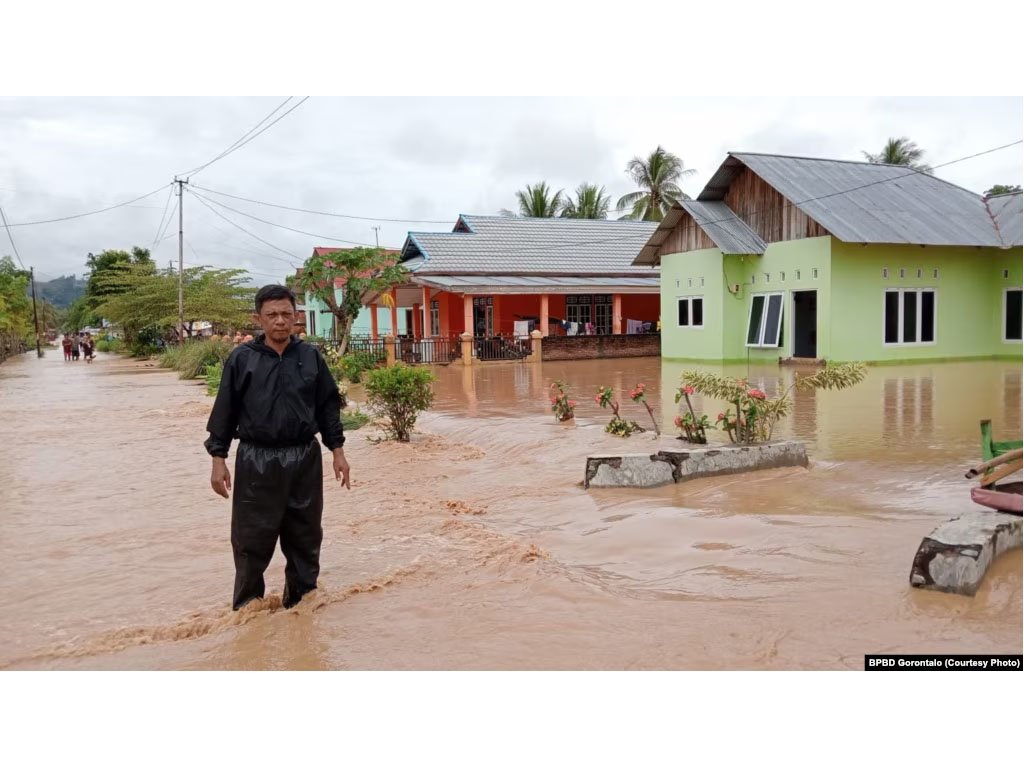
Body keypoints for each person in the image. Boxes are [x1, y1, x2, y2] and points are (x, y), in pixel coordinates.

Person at [205, 284, 351, 611]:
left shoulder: (310, 357)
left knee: (305, 537)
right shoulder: (242, 360)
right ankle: (248, 611)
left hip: (304, 456)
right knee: (251, 540)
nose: (280, 321)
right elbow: (225, 410)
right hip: (257, 459)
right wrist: (219, 458)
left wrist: (337, 451)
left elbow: (328, 407)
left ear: (297, 317)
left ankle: (301, 608)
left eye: (286, 314)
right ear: (259, 319)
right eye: (272, 315)